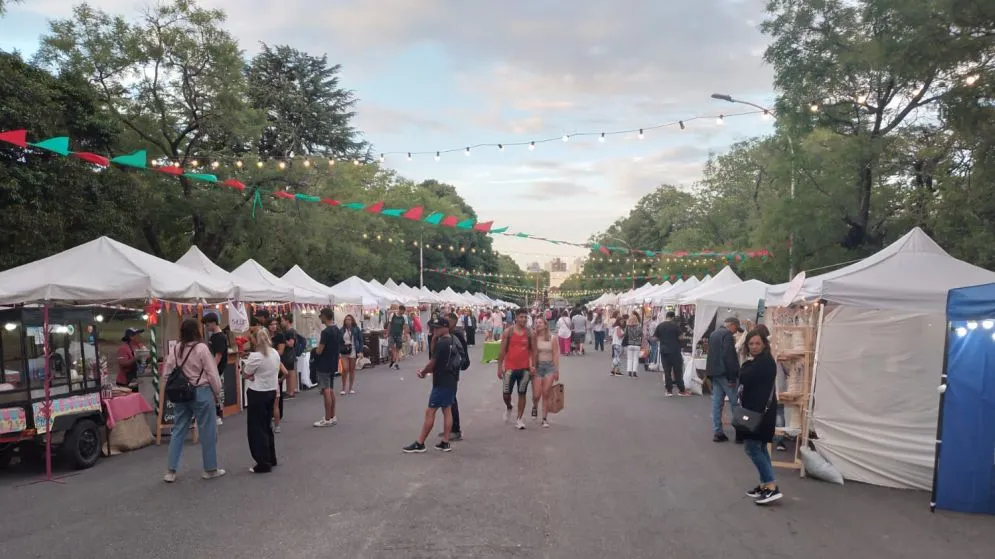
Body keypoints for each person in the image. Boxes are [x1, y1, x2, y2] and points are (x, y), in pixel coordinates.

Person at [162, 318, 225, 483]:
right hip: (201, 391)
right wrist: (217, 393)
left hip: (181, 394)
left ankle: (171, 470)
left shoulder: (176, 349)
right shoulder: (202, 348)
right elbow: (212, 373)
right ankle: (210, 469)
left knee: (178, 430)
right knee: (207, 431)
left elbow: (166, 372)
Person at [738, 329, 782, 505]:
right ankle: (765, 484)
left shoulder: (764, 362)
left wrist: (745, 365)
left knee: (752, 447)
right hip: (757, 411)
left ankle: (771, 486)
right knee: (760, 448)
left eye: (757, 343)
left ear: (764, 344)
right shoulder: (760, 361)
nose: (754, 347)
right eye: (751, 344)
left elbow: (744, 377)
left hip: (759, 413)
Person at [403, 318, 458, 453]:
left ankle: (420, 442)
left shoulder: (442, 343)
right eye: (434, 328)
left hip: (441, 381)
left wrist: (423, 372)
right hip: (451, 379)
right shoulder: (451, 340)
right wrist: (434, 339)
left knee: (430, 411)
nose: (435, 330)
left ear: (445, 327)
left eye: (437, 328)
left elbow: (432, 362)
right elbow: (435, 357)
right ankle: (445, 441)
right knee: (447, 410)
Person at [242, 328, 280, 473]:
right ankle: (271, 457)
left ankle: (263, 462)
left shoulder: (255, 356)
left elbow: (246, 373)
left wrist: (251, 376)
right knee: (266, 425)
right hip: (271, 390)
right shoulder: (274, 353)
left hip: (257, 392)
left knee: (256, 429)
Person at [497, 309, 535, 430]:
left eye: (525, 317)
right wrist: (499, 367)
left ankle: (519, 419)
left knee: (522, 392)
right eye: (521, 317)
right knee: (506, 394)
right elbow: (502, 351)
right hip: (510, 368)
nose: (523, 319)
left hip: (525, 369)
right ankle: (509, 406)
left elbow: (534, 351)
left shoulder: (530, 333)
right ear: (516, 318)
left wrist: (533, 365)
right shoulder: (509, 332)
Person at [707, 317, 742, 442]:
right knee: (735, 403)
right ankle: (740, 432)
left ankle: (718, 431)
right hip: (726, 374)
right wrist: (732, 377)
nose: (735, 332)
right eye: (736, 329)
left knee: (717, 403)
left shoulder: (714, 334)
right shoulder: (727, 335)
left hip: (715, 373)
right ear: (732, 325)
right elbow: (729, 356)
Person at [311, 308, 341, 427]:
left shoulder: (326, 332)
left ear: (324, 316)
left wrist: (315, 351)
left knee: (326, 390)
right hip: (333, 362)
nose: (320, 318)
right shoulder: (337, 330)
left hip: (324, 363)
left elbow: (319, 350)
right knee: (331, 389)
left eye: (321, 316)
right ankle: (332, 416)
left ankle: (327, 418)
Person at [442, 312, 468, 441]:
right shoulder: (448, 334)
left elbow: (462, 355)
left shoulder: (456, 335)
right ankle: (449, 427)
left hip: (452, 371)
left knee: (451, 400)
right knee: (446, 400)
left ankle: (455, 429)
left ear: (452, 323)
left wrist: (455, 366)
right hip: (447, 371)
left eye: (446, 322)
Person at [531, 317, 560, 427]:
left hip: (549, 367)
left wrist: (556, 370)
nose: (538, 324)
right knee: (537, 394)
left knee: (546, 393)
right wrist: (531, 366)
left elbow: (555, 354)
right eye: (536, 323)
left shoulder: (552, 338)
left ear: (545, 325)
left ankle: (544, 418)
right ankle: (534, 405)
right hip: (538, 367)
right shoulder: (533, 337)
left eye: (540, 322)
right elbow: (530, 353)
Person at [654, 311, 689, 396]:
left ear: (666, 316)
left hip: (664, 351)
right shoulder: (675, 326)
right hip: (675, 351)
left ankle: (668, 390)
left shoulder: (660, 326)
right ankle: (681, 390)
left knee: (667, 371)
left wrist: (663, 340)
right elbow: (680, 337)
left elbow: (655, 338)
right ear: (673, 317)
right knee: (678, 371)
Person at [203, 313, 229, 425]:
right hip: (214, 369)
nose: (206, 327)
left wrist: (211, 369)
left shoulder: (219, 337)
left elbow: (218, 356)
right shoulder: (213, 336)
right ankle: (215, 414)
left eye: (207, 325)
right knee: (214, 392)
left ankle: (217, 415)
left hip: (217, 369)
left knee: (216, 392)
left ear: (213, 322)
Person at [277, 314, 299, 398]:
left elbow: (291, 344)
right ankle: (289, 391)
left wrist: (283, 341)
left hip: (289, 355)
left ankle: (291, 391)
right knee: (288, 372)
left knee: (290, 373)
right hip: (286, 355)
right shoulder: (286, 331)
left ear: (287, 321)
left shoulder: (291, 331)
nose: (281, 322)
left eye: (282, 320)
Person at [339, 314, 361, 395]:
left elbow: (360, 340)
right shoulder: (341, 330)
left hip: (353, 350)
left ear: (352, 321)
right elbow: (338, 341)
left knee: (352, 370)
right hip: (344, 351)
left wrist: (360, 351)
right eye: (346, 319)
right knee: (345, 368)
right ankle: (343, 387)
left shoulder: (356, 329)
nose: (347, 321)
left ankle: (350, 388)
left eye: (349, 319)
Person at [388, 305, 408, 370]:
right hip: (392, 334)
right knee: (392, 348)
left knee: (397, 349)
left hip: (399, 335)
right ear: (399, 309)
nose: (403, 312)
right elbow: (389, 325)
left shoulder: (404, 317)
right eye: (402, 311)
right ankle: (393, 360)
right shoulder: (392, 315)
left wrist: (405, 335)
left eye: (404, 311)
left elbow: (405, 327)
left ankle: (395, 363)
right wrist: (387, 333)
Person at [623, 313, 643, 378]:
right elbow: (641, 334)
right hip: (637, 344)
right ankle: (634, 372)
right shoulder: (639, 326)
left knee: (629, 359)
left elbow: (625, 334)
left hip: (629, 343)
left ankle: (629, 372)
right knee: (635, 359)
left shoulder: (628, 327)